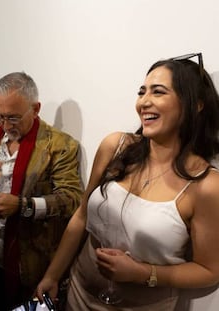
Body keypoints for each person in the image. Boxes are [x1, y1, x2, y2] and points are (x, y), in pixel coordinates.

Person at [36, 53, 219, 310]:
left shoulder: (206, 184)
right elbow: (81, 216)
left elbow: (209, 270)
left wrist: (142, 272)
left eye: (158, 92)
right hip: (78, 294)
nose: (144, 102)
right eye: (142, 92)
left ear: (195, 104)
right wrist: (52, 275)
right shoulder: (116, 146)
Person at [0, 72, 84, 310]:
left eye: (13, 118)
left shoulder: (61, 146)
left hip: (29, 263)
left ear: (35, 109)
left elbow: (72, 199)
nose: (5, 126)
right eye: (1, 116)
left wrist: (23, 206)